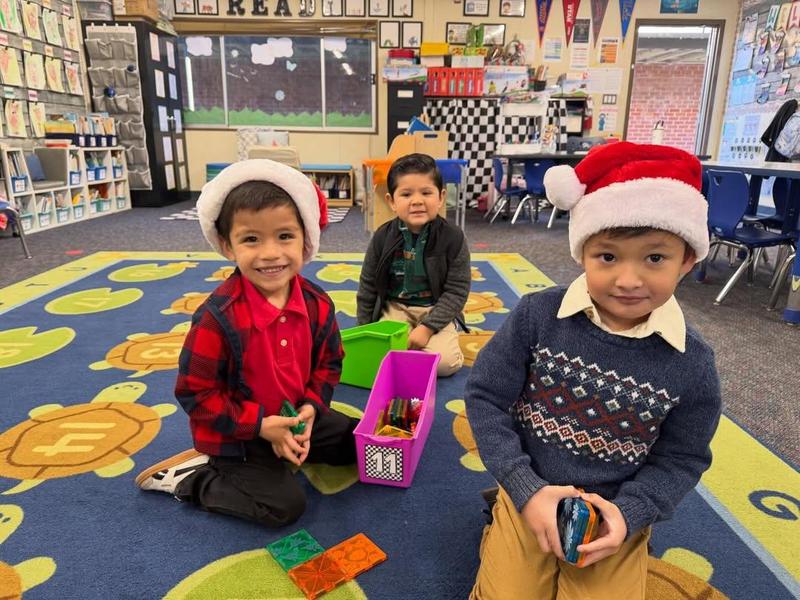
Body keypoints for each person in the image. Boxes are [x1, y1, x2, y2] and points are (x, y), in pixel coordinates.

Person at [465, 142, 722, 599]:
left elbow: (682, 457)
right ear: (581, 251)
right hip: (532, 485)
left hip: (614, 509)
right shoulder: (537, 316)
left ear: (688, 261)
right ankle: (501, 513)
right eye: (608, 256)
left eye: (654, 258)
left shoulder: (693, 363)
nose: (627, 279)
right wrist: (523, 487)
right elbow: (486, 398)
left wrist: (630, 513)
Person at [136, 159, 358, 528]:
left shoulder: (318, 303)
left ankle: (285, 446)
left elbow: (330, 363)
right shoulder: (217, 318)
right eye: (251, 239)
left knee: (356, 443)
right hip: (239, 434)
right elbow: (196, 395)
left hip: (292, 416)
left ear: (306, 240)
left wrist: (311, 408)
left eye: (285, 236)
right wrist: (260, 427)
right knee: (284, 507)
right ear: (227, 245)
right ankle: (194, 479)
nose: (270, 253)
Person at [357, 153, 470, 377]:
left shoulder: (453, 237)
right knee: (378, 356)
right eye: (406, 194)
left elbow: (457, 290)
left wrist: (428, 328)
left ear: (441, 197)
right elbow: (368, 285)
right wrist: (364, 329)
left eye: (426, 193)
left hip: (435, 308)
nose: (417, 201)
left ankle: (444, 333)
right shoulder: (382, 237)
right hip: (395, 307)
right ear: (391, 201)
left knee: (445, 364)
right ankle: (408, 355)